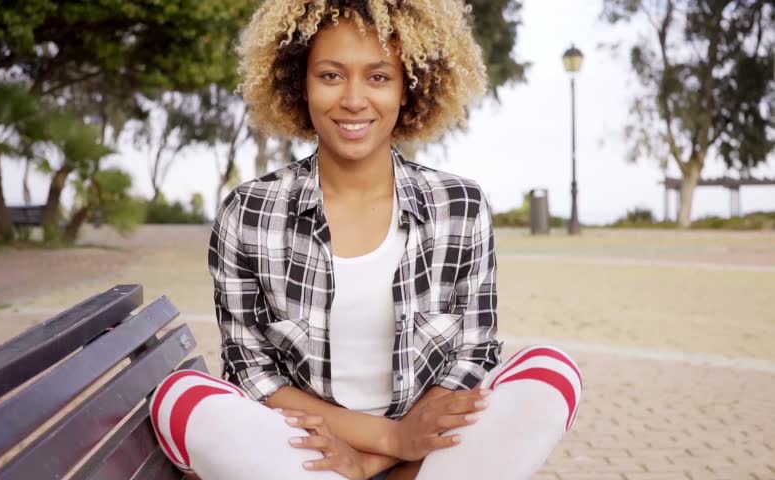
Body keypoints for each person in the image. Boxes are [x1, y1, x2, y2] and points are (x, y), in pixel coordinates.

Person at [150, 1, 582, 479]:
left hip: (425, 453)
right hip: (309, 452)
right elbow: (252, 374)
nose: (354, 100)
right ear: (301, 85)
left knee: (552, 372)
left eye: (378, 77)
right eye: (331, 76)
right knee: (181, 398)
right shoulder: (249, 213)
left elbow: (473, 357)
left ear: (408, 89)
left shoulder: (460, 205)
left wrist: (374, 461)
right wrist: (387, 438)